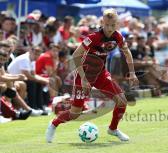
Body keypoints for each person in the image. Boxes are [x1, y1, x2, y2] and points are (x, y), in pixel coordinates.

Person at [46, 8, 139, 143]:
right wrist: (83, 78)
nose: (109, 28)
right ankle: (54, 124)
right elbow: (76, 55)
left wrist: (132, 73)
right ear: (102, 23)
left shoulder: (117, 36)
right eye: (107, 25)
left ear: (117, 24)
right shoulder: (94, 37)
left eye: (113, 25)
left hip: (101, 75)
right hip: (84, 75)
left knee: (122, 101)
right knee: (75, 113)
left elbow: (127, 52)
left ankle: (113, 129)